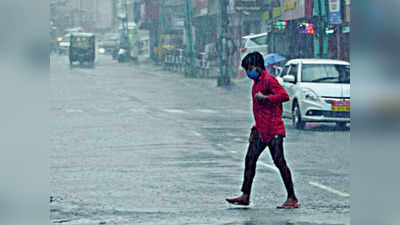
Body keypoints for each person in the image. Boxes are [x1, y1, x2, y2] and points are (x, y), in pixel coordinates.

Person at [226, 52, 299, 209]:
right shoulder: (256, 83)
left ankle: (292, 197)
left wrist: (266, 98)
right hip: (260, 129)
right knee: (250, 160)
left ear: (258, 67)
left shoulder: (268, 80)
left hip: (273, 130)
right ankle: (245, 195)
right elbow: (260, 110)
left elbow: (284, 96)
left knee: (280, 162)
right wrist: (255, 127)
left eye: (250, 69)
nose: (248, 73)